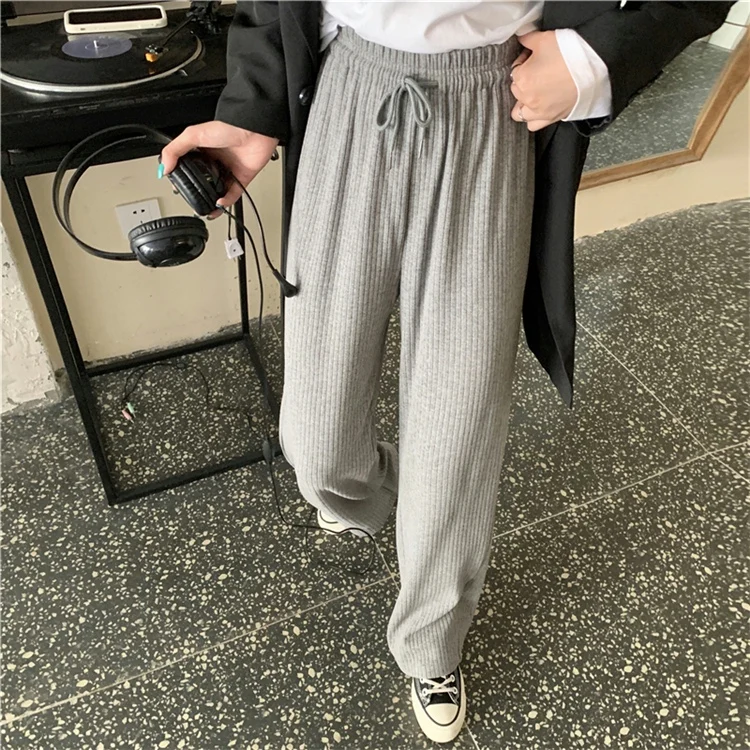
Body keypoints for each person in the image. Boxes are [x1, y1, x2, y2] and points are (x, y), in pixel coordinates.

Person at [161, 1, 732, 743]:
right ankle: (377, 495)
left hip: (493, 101)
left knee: (459, 422)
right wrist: (252, 107)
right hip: (349, 92)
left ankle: (433, 639)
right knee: (317, 441)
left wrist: (596, 61)